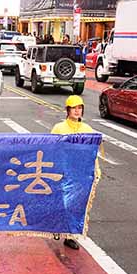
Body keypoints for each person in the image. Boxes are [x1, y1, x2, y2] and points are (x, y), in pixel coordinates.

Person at [51, 95, 95, 250]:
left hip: (80, 173)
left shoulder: (87, 130)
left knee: (75, 205)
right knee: (62, 202)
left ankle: (69, 236)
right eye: (74, 108)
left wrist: (96, 171)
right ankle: (56, 227)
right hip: (63, 172)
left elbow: (91, 153)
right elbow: (52, 149)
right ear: (67, 110)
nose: (77, 111)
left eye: (80, 108)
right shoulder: (59, 128)